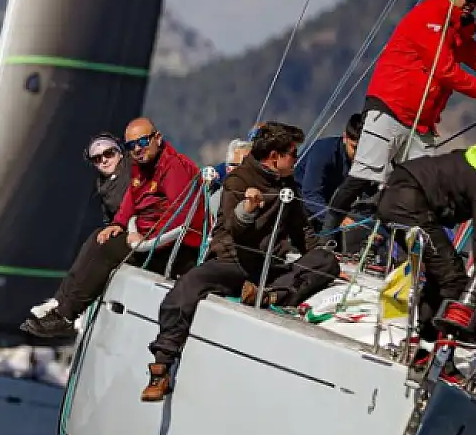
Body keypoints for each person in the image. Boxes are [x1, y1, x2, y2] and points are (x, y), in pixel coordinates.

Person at [141, 122, 341, 402]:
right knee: (187, 287)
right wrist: (247, 210)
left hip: (268, 266)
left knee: (326, 262)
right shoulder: (239, 181)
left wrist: (321, 255)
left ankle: (269, 295)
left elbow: (302, 233)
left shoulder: (288, 186)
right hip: (233, 261)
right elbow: (237, 230)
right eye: (293, 154)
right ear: (275, 157)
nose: (296, 160)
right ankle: (161, 366)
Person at [326, 0, 476, 222]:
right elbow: (445, 70)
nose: (472, 5)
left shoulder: (456, 29)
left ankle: (414, 256)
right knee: (364, 176)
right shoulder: (429, 17)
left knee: (425, 190)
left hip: (421, 123)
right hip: (390, 109)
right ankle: (326, 236)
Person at [22, 117, 205, 341]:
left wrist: (145, 238)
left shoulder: (173, 167)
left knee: (107, 250)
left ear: (157, 138)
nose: (138, 149)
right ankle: (60, 305)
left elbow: (183, 218)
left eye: (144, 141)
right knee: (98, 238)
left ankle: (67, 316)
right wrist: (118, 224)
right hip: (148, 239)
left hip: (174, 250)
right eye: (132, 146)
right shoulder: (141, 166)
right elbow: (131, 199)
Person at [373, 139, 476, 343]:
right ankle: (441, 358)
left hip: (394, 196)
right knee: (454, 280)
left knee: (439, 273)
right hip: (409, 203)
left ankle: (424, 340)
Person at [295, 113, 363, 247]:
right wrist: (338, 219)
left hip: (332, 208)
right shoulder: (323, 151)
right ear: (345, 137)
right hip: (301, 208)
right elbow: (310, 194)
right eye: (355, 147)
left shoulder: (365, 161)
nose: (359, 154)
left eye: (363, 149)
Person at [86, 133, 130, 224]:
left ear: (120, 153)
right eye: (97, 159)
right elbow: (108, 219)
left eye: (109, 153)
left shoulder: (133, 166)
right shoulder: (101, 187)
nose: (104, 160)